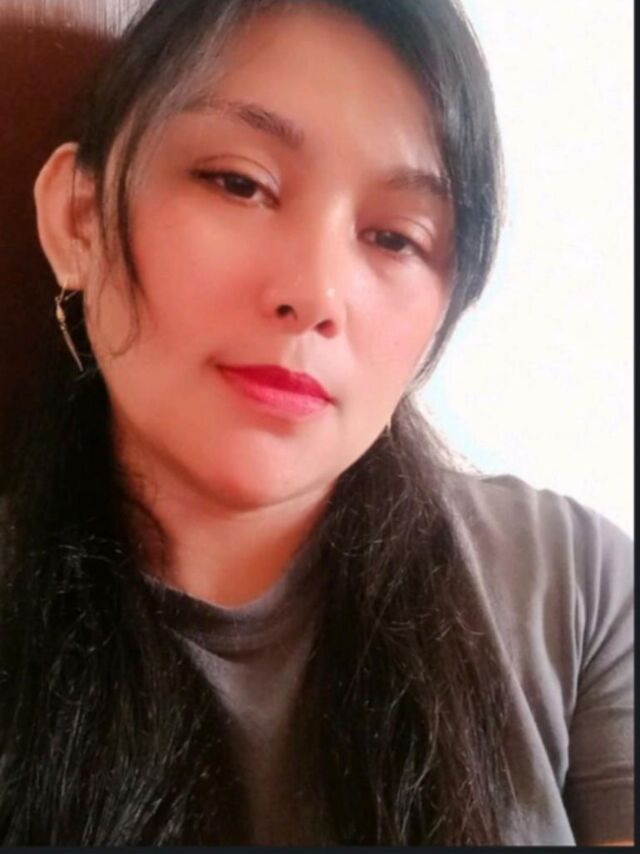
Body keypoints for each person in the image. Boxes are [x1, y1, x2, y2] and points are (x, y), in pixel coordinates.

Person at [0, 0, 632, 845]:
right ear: (79, 220)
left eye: (396, 238)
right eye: (239, 182)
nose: (315, 293)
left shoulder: (574, 587)